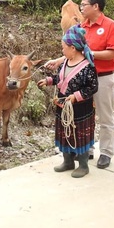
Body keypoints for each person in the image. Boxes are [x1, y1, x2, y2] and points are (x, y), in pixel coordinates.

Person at [44, 0, 114, 169]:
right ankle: (88, 149)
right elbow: (73, 51)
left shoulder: (111, 26)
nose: (81, 8)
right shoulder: (81, 27)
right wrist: (59, 60)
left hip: (102, 77)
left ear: (96, 6)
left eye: (84, 5)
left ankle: (106, 152)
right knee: (84, 116)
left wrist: (91, 54)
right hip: (81, 79)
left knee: (105, 115)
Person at [37, 25, 98, 178]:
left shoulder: (88, 67)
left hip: (80, 109)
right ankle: (68, 161)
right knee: (65, 132)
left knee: (80, 134)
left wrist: (75, 96)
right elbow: (60, 79)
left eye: (64, 48)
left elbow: (93, 87)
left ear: (72, 48)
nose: (62, 51)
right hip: (63, 107)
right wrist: (49, 80)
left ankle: (83, 165)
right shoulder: (65, 63)